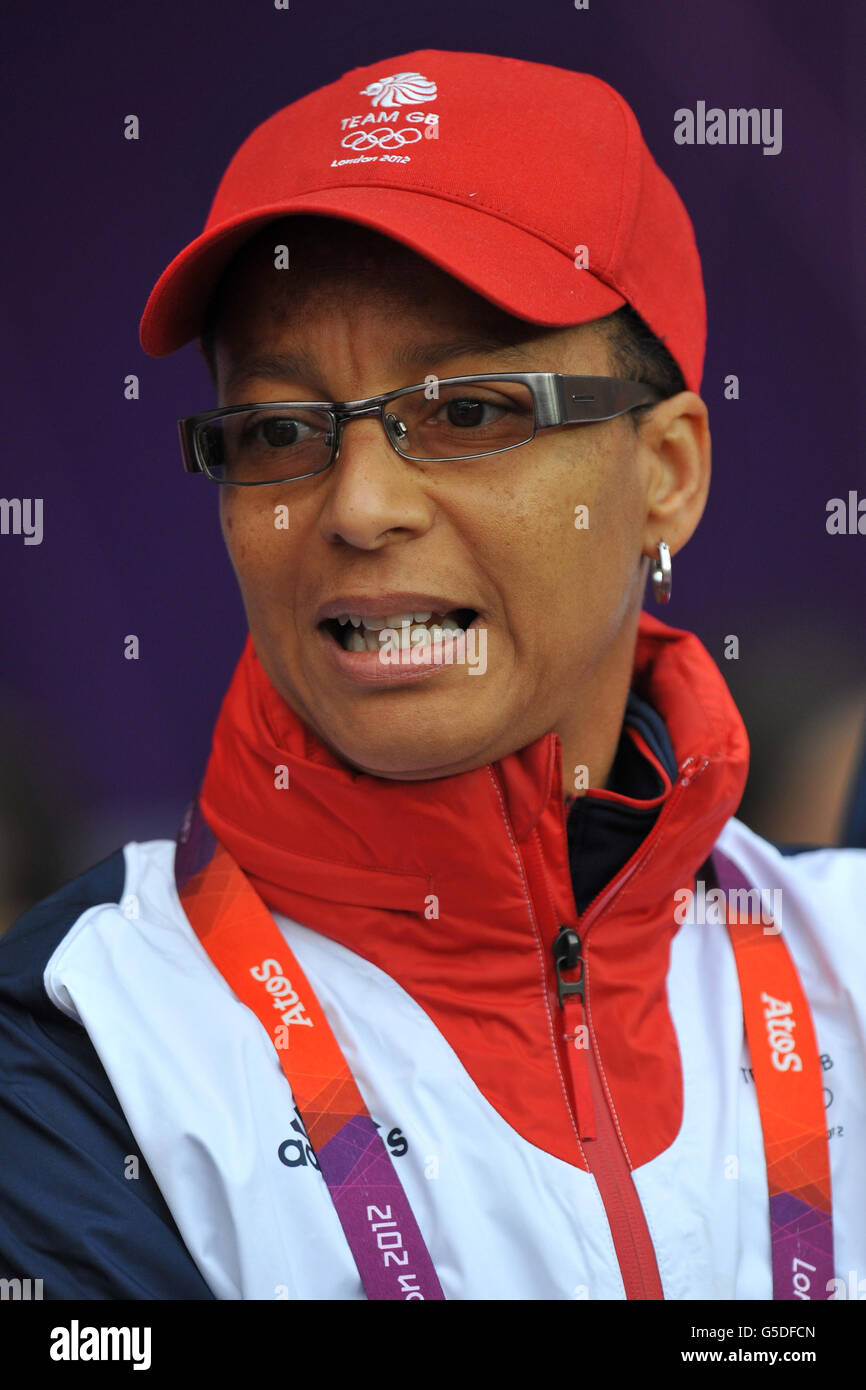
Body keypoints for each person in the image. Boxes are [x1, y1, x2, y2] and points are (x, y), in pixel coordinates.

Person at [1, 47, 864, 1303]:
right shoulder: (81, 1046)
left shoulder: (845, 958)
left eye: (467, 411)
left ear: (665, 471)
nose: (357, 503)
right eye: (280, 431)